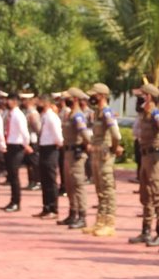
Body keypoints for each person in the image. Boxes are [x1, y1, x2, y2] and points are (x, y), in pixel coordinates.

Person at [128, 83, 159, 246]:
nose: (139, 98)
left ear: (149, 96)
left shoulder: (156, 113)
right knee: (145, 195)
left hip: (155, 157)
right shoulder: (144, 114)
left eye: (142, 95)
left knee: (157, 194)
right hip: (145, 157)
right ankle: (146, 230)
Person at [84, 83, 123, 237]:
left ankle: (109, 223)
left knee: (107, 190)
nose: (91, 98)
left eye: (94, 95)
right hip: (97, 155)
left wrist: (113, 148)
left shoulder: (107, 112)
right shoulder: (97, 112)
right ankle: (100, 222)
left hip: (105, 156)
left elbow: (117, 135)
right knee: (100, 189)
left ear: (101, 96)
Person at [58, 87, 91, 229]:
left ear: (75, 99)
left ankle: (82, 216)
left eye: (68, 98)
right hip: (68, 152)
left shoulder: (78, 115)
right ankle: (72, 213)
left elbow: (84, 134)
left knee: (78, 185)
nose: (65, 100)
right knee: (70, 185)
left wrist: (86, 146)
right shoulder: (69, 114)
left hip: (76, 153)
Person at [1, 92, 32, 212]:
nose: (6, 102)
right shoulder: (10, 114)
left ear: (14, 101)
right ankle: (12, 200)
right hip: (10, 144)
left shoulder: (18, 115)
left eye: (9, 100)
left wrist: (26, 144)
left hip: (17, 146)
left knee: (14, 175)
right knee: (11, 175)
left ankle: (16, 202)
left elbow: (24, 131)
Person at [35, 94, 64, 219]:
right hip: (44, 148)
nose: (37, 105)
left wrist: (58, 145)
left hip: (51, 148)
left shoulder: (52, 117)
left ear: (45, 103)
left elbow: (58, 135)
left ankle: (53, 208)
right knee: (45, 180)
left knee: (51, 180)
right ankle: (46, 207)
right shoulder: (45, 116)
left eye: (39, 102)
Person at [22, 94, 42, 192]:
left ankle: (37, 181)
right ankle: (31, 181)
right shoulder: (26, 112)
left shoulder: (33, 113)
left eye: (24, 100)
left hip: (33, 139)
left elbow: (38, 128)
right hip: (27, 139)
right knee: (29, 163)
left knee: (34, 162)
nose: (23, 102)